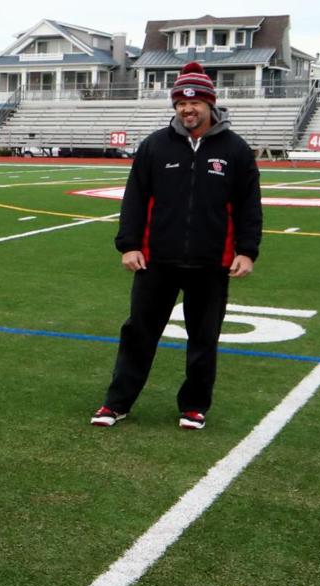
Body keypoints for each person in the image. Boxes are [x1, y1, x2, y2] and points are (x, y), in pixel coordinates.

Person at [91, 62, 261, 431]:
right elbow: (134, 199)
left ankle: (194, 406)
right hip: (156, 261)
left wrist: (247, 250)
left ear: (210, 104)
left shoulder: (235, 150)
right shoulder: (155, 145)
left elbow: (249, 205)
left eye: (195, 102)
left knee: (203, 338)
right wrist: (129, 245)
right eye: (181, 103)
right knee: (138, 334)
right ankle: (117, 403)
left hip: (212, 262)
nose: (188, 109)